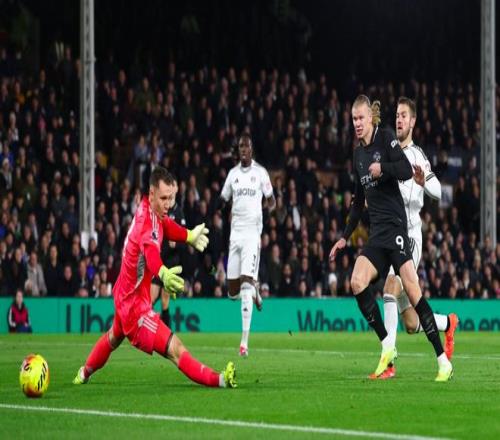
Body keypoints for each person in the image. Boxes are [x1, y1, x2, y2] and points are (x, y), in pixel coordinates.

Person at [73, 167, 236, 388]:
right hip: (134, 309)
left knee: (113, 337)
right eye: (163, 198)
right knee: (176, 350)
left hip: (125, 294)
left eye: (171, 198)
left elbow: (165, 225)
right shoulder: (145, 224)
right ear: (151, 194)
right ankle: (220, 380)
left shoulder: (149, 209)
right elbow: (151, 253)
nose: (168, 204)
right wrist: (162, 273)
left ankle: (83, 373)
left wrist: (188, 235)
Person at [329, 95, 453, 382]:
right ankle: (388, 347)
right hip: (377, 234)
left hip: (399, 230)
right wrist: (344, 237)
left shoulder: (386, 139)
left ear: (370, 118)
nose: (357, 123)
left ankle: (442, 362)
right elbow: (357, 201)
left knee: (409, 292)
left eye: (361, 118)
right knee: (357, 282)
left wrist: (383, 168)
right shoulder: (358, 155)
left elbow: (405, 170)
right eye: (353, 119)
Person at [374, 97, 459, 379]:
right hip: (390, 235)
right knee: (411, 323)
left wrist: (424, 182)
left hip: (409, 237)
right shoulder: (389, 153)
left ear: (412, 121)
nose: (398, 119)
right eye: (396, 115)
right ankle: (447, 323)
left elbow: (437, 189)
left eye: (404, 116)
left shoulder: (417, 156)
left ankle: (388, 363)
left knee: (389, 288)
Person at [219, 133, 276, 356]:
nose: (243, 150)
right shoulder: (232, 175)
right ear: (238, 150)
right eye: (240, 147)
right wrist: (216, 210)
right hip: (235, 236)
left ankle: (244, 343)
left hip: (252, 233)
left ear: (251, 150)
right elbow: (223, 199)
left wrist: (265, 212)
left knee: (243, 286)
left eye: (246, 146)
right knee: (232, 292)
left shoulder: (260, 173)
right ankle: (254, 289)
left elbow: (272, 200)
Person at [150, 178, 186, 326]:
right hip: (160, 259)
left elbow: (184, 238)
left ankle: (166, 333)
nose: (171, 187)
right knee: (151, 298)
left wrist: (176, 243)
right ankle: (146, 330)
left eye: (174, 185)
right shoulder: (162, 208)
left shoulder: (179, 212)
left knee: (165, 300)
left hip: (171, 261)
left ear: (176, 189)